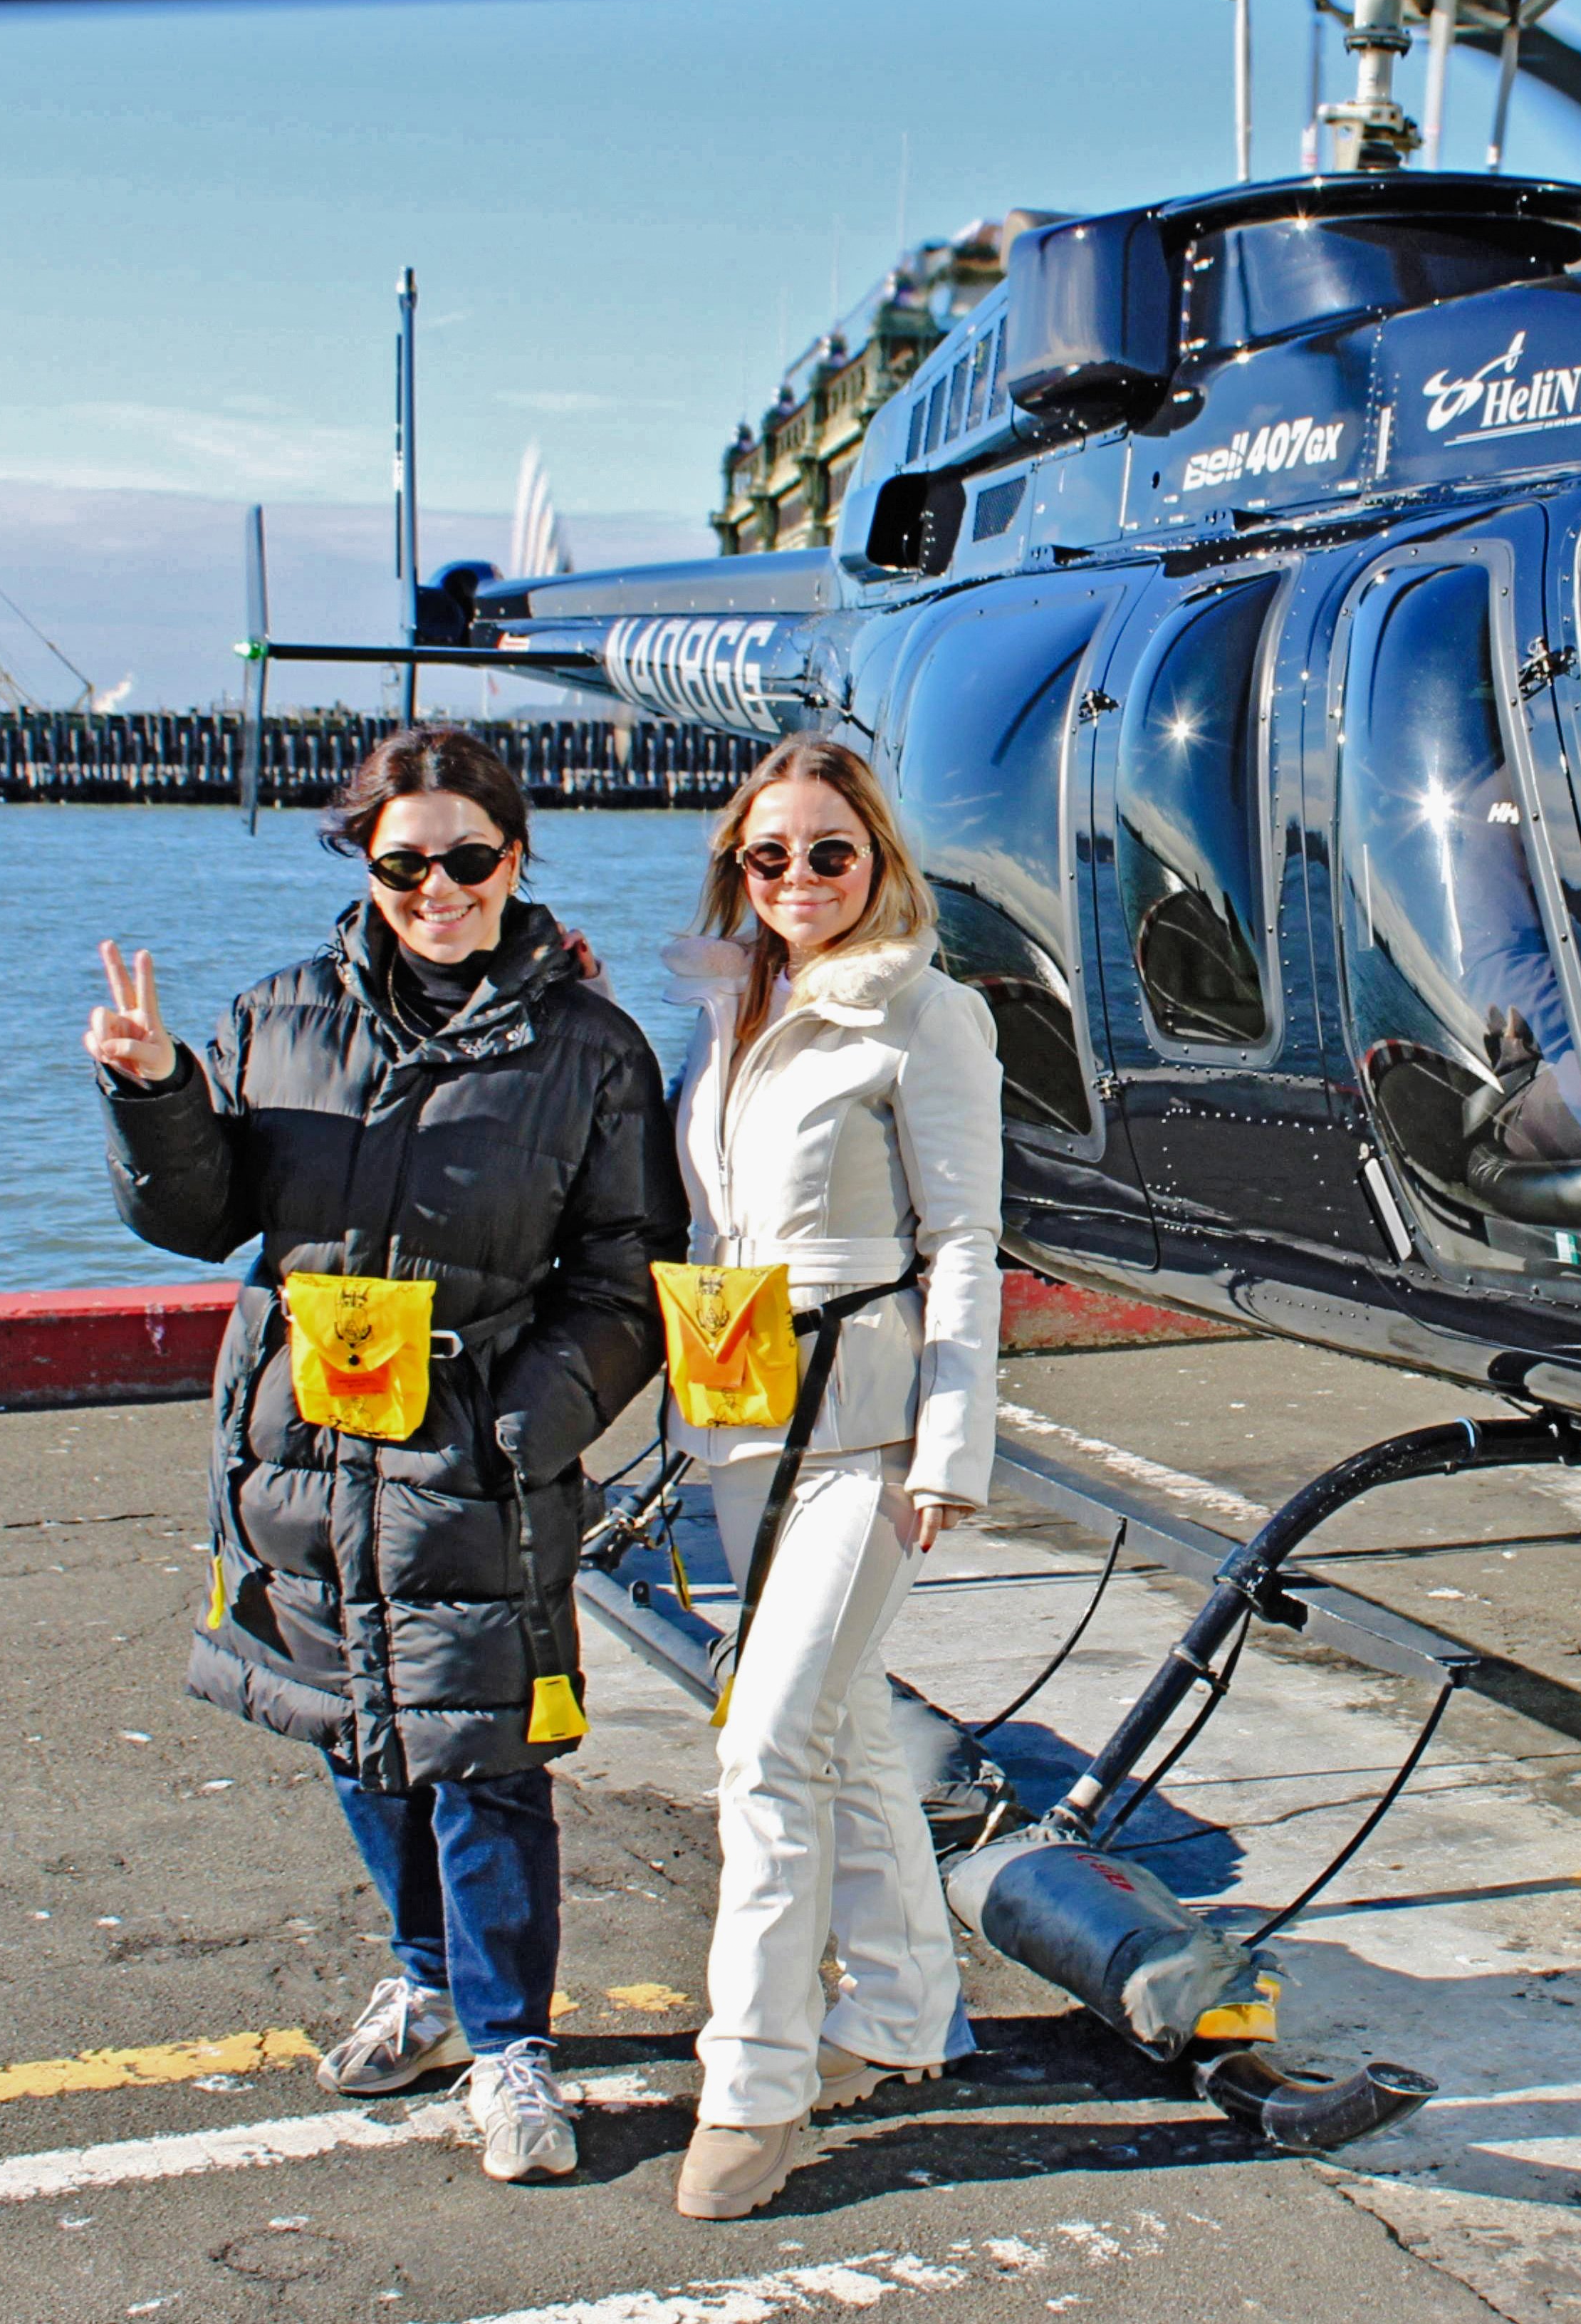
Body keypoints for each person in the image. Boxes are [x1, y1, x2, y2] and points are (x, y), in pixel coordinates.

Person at [83, 726, 677, 2187]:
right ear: (366, 863)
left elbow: (628, 1275)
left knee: (487, 1760)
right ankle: (423, 1978)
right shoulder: (276, 1017)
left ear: (515, 857)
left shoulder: (589, 1048)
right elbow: (199, 1214)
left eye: (470, 858)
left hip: (474, 1454)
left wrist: (520, 1427)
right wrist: (159, 1091)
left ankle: (512, 2044)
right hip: (309, 1447)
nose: (440, 889)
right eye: (406, 862)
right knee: (353, 1731)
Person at [651, 736, 1003, 2222]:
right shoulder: (737, 1007)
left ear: (880, 862)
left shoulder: (929, 1013)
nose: (797, 880)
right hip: (743, 1421)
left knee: (768, 1740)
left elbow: (967, 1243)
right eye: (768, 857)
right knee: (847, 1730)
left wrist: (954, 1446)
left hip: (863, 1431)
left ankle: (755, 2080)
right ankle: (906, 2014)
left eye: (828, 854)